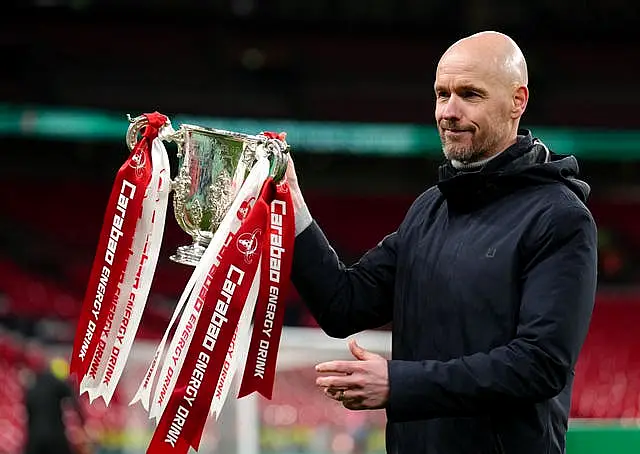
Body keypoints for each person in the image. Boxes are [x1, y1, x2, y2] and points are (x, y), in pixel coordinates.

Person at [285, 31, 597, 454]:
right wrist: (293, 210)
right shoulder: (430, 209)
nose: (449, 111)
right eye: (441, 94)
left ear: (517, 101)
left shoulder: (559, 217)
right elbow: (344, 304)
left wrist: (398, 383)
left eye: (470, 94)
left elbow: (540, 365)